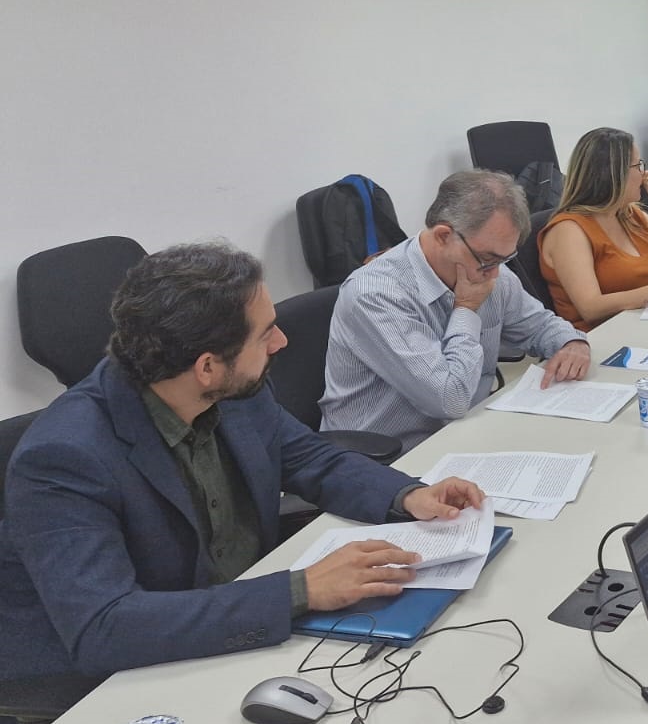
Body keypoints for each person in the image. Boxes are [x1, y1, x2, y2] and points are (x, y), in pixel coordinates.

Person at [0, 244, 485, 686]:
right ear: (207, 365)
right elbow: (104, 627)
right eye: (265, 334)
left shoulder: (232, 391)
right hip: (120, 679)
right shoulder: (63, 458)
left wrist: (407, 495)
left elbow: (307, 455)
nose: (281, 344)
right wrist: (302, 590)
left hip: (236, 621)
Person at [322, 169, 590, 451]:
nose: (496, 273)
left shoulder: (486, 267)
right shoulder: (375, 295)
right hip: (392, 456)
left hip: (469, 433)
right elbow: (450, 399)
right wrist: (466, 309)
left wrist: (572, 342)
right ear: (442, 236)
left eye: (505, 258)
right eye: (488, 259)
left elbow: (541, 325)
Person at [538, 127, 648, 330]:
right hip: (600, 339)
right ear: (613, 174)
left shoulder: (630, 215)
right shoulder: (569, 230)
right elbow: (591, 307)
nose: (644, 173)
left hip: (646, 324)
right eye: (637, 165)